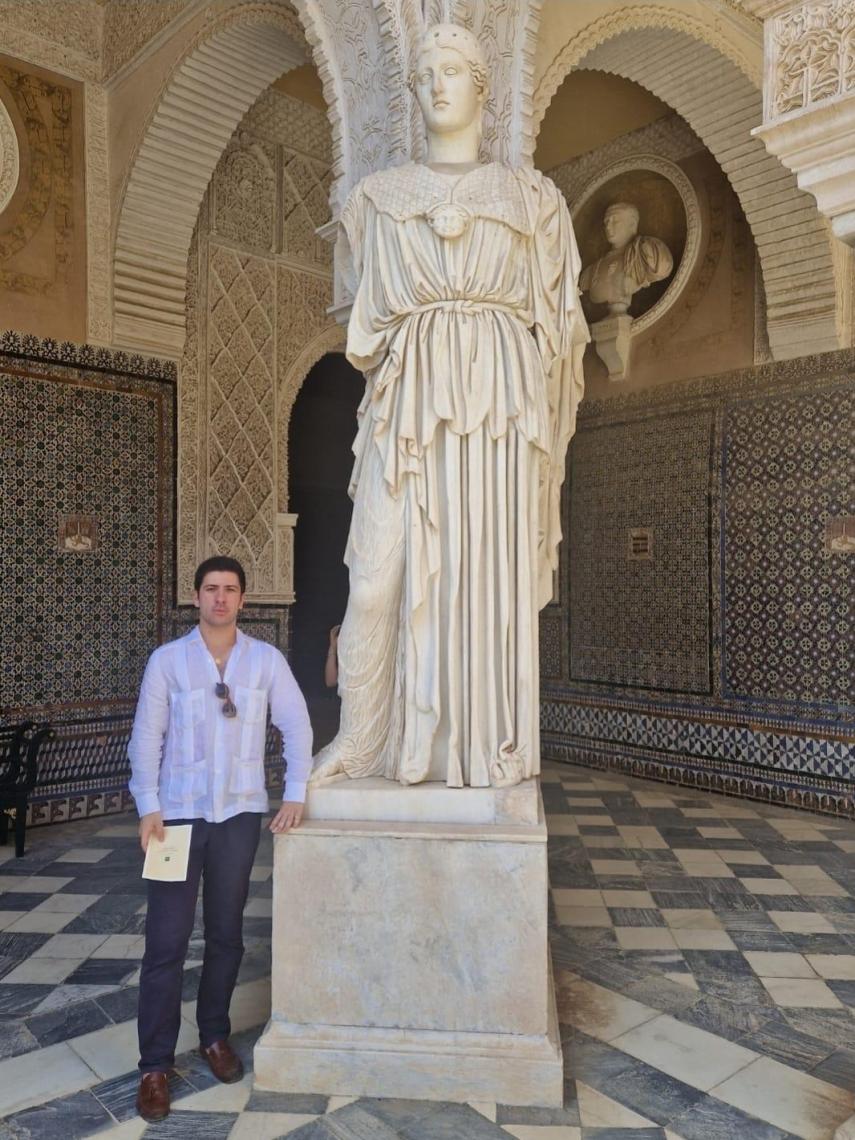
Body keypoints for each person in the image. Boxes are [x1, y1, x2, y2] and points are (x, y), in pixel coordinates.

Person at [310, 23, 588, 791]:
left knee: (477, 578)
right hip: (405, 402)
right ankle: (362, 740)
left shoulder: (531, 200)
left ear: (481, 87)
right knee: (373, 577)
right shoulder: (374, 199)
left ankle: (477, 742)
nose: (436, 83)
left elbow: (561, 329)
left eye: (453, 70)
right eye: (424, 71)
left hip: (494, 406)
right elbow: (357, 321)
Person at [128, 555, 312, 1122]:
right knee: (166, 941)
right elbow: (146, 736)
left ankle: (214, 1035)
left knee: (227, 934)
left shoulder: (265, 661)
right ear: (195, 596)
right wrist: (148, 807)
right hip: (176, 819)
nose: (220, 599)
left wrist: (297, 791)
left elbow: (297, 723)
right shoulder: (168, 662)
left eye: (230, 589)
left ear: (242, 598)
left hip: (238, 816)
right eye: (211, 589)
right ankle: (155, 1065)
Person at [579, 201, 673, 314]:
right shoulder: (591, 272)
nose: (608, 226)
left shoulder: (648, 254)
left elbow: (662, 267)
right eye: (606, 222)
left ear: (632, 224)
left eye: (615, 221)